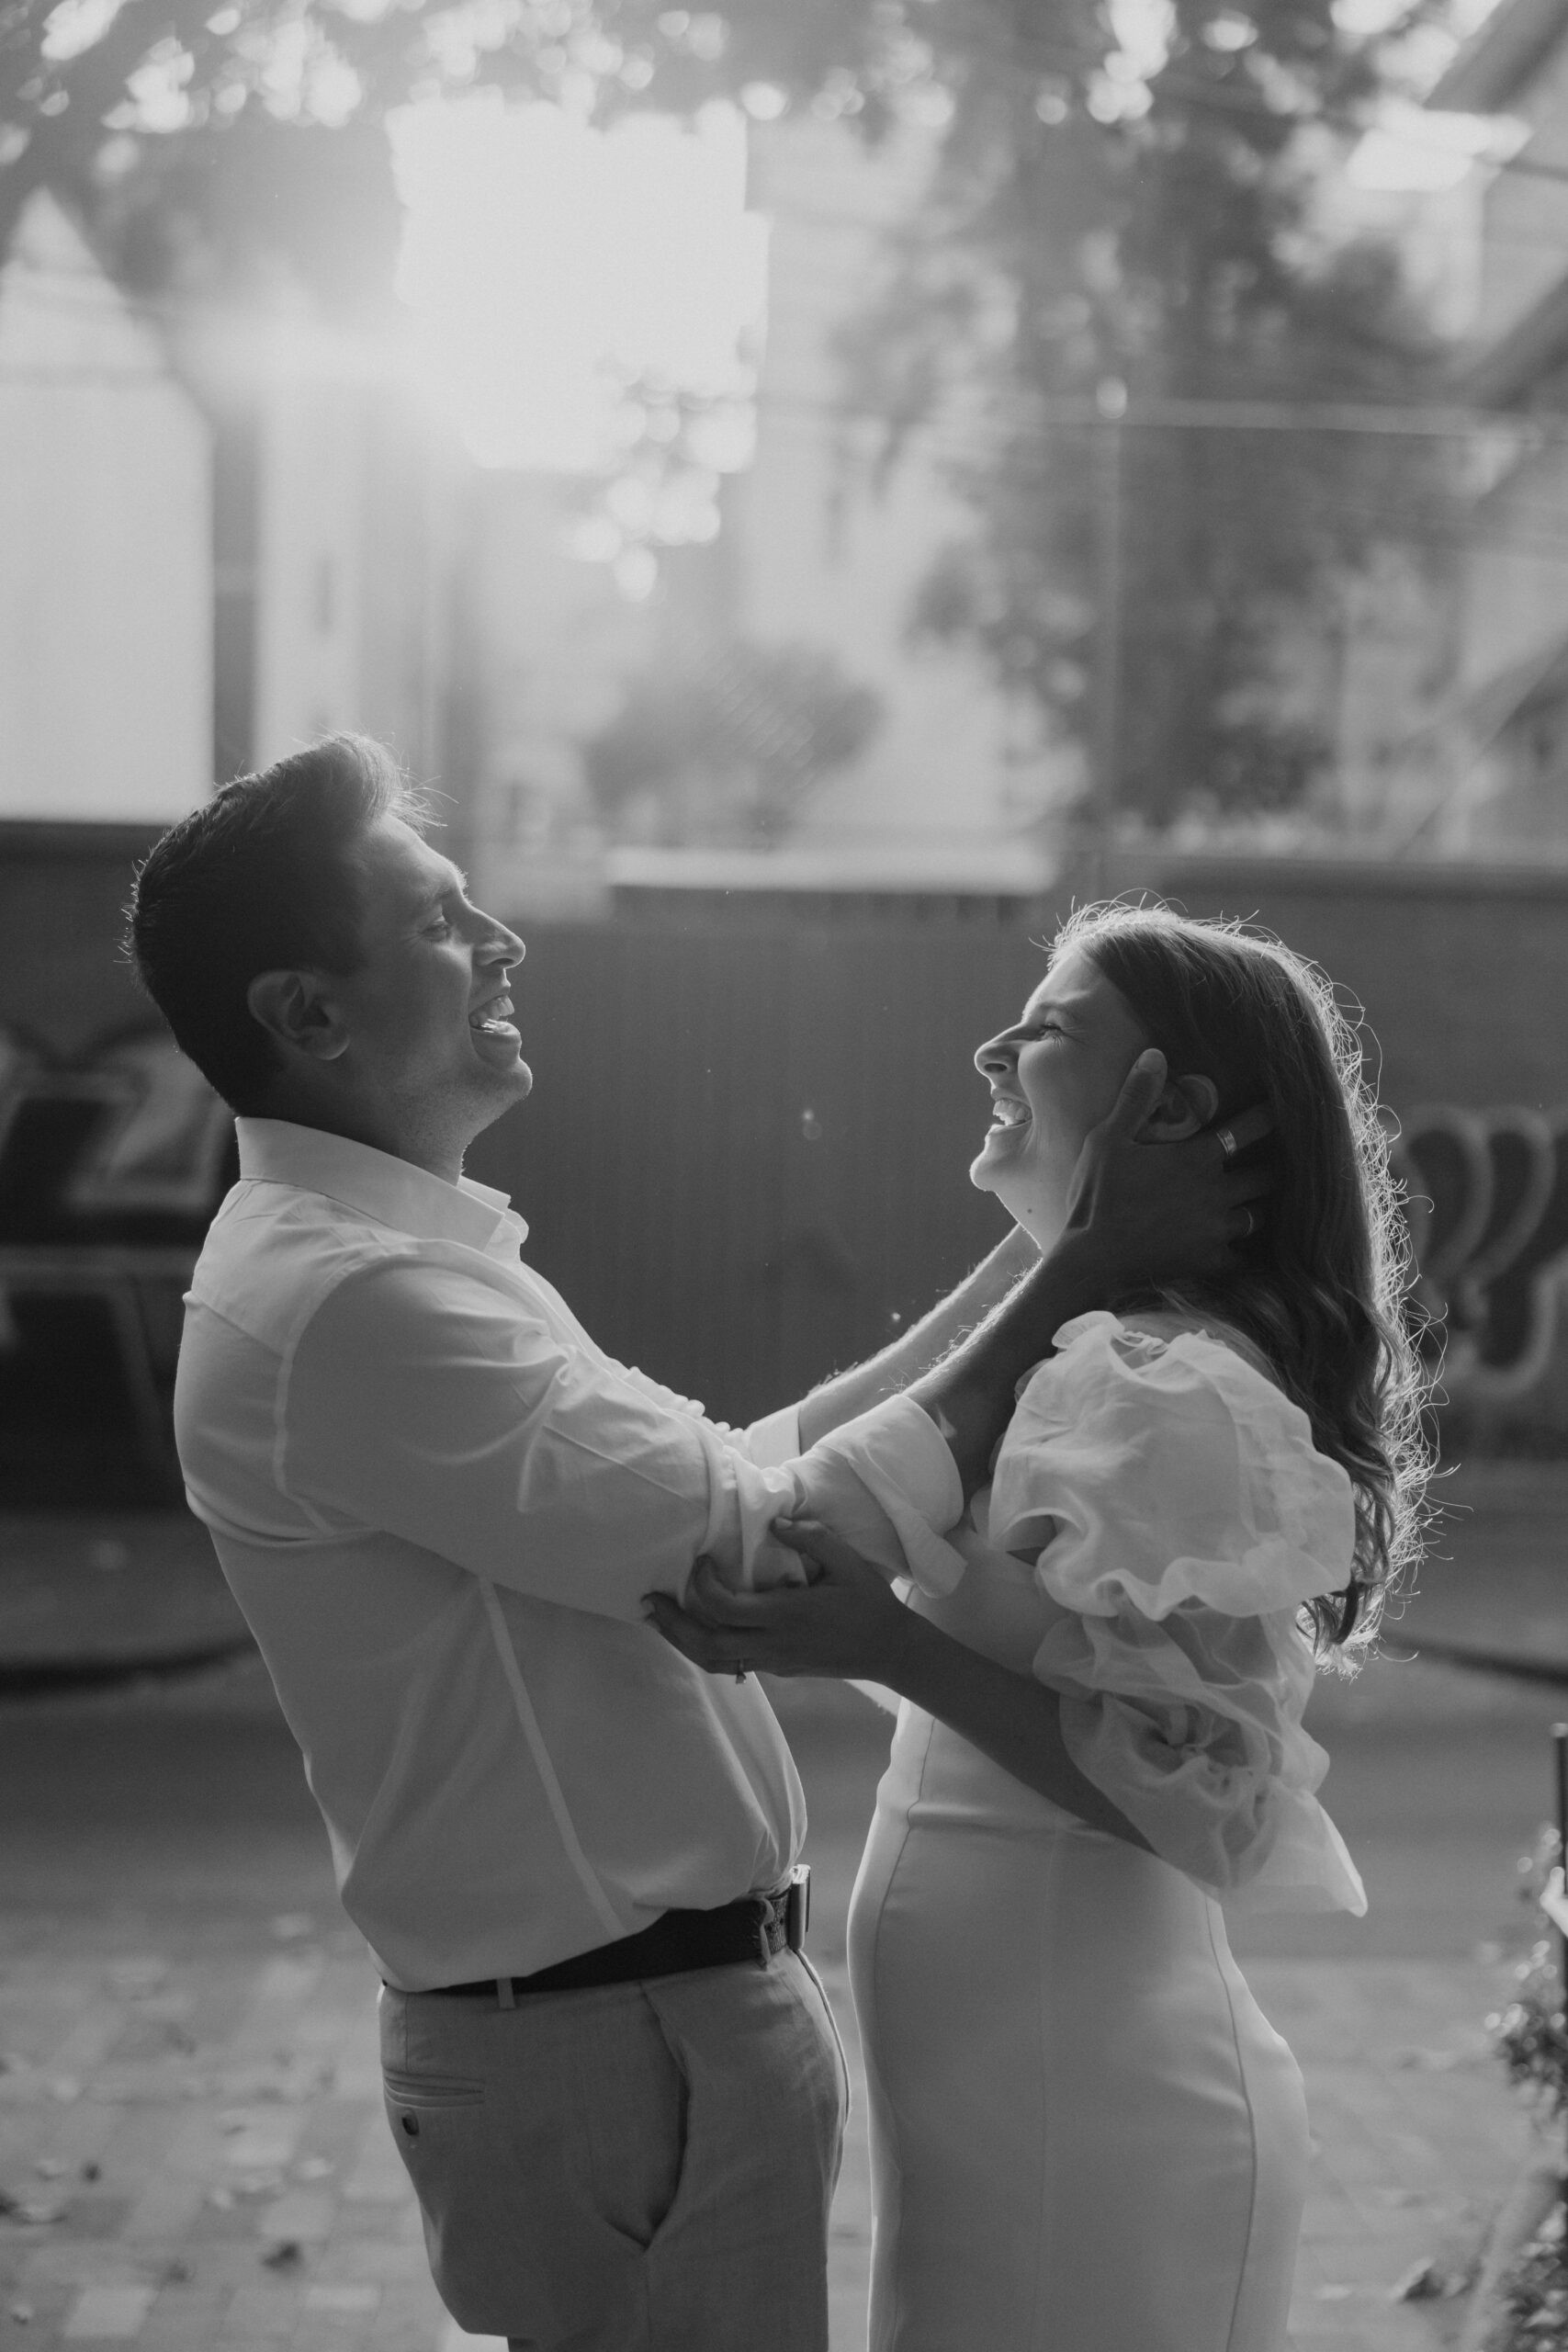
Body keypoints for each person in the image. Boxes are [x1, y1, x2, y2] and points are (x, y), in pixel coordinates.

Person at [127, 741, 1264, 2352]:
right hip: (613, 2049)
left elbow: (749, 1465)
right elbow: (766, 1547)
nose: (503, 941)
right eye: (444, 922)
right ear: (308, 1014)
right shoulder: (353, 1300)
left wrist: (1053, 1255)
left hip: (628, 2038)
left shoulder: (388, 1259)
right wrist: (1081, 1269)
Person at [650, 902, 1429, 2352]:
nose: (991, 1047)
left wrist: (886, 1647)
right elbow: (808, 1492)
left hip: (1100, 2115)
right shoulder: (1085, 1359)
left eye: (1051, 1025)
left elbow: (1211, 1796)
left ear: (1172, 1105)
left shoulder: (1165, 1391)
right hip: (1019, 2101)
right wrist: (1071, 1252)